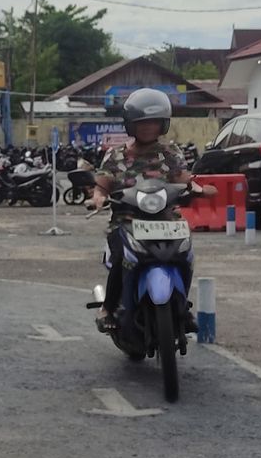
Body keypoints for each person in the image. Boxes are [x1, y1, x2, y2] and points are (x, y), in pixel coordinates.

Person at [89, 88, 214, 331]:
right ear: (131, 125)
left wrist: (198, 189)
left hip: (167, 222)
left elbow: (184, 179)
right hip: (127, 221)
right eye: (142, 123)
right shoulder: (116, 155)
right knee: (121, 258)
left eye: (153, 122)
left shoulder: (171, 153)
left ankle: (182, 306)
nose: (148, 127)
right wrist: (98, 199)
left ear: (162, 124)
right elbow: (101, 185)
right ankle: (108, 308)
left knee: (184, 255)